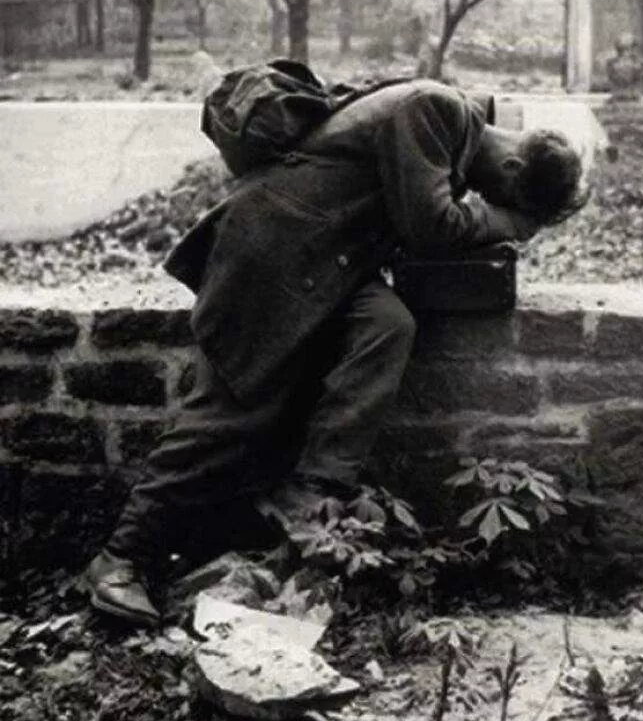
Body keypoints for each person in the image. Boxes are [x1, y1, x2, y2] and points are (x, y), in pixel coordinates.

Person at [84, 78, 585, 626]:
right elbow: (431, 224)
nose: (486, 203)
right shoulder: (433, 111)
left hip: (326, 265)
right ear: (512, 168)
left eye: (497, 207)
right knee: (230, 417)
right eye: (499, 198)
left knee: (386, 326)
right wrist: (510, 223)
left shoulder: (450, 129)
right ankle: (120, 560)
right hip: (271, 258)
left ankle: (310, 490)